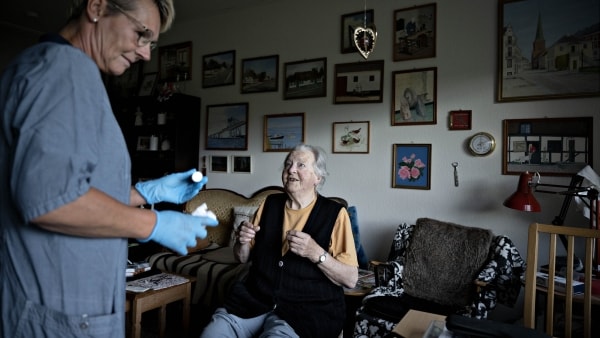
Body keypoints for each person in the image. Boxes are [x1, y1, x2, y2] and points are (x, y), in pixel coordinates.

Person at [0, 1, 218, 337]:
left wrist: (146, 192)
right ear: (98, 6)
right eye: (141, 34)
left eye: (151, 43)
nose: (145, 54)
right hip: (57, 312)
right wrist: (153, 222)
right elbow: (50, 198)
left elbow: (72, 184)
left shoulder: (46, 66)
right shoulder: (65, 69)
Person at [201, 144, 359, 338]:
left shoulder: (334, 213)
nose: (291, 169)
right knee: (212, 334)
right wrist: (242, 242)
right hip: (254, 301)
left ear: (318, 178)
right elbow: (242, 258)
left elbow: (351, 279)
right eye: (288, 164)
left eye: (301, 165)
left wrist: (316, 253)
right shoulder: (269, 203)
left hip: (305, 312)